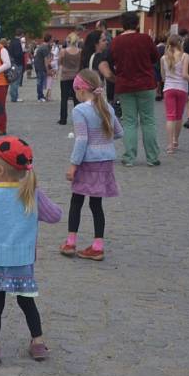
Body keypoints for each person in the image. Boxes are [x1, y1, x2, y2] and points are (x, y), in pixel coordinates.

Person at [0, 136, 62, 366]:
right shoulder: (30, 193)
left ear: (0, 169)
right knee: (27, 301)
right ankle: (38, 341)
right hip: (21, 260)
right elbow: (55, 216)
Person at [59, 69, 122, 262]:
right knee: (96, 204)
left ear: (80, 89)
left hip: (87, 161)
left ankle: (70, 242)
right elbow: (119, 132)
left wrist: (73, 165)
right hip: (105, 162)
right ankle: (98, 246)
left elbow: (81, 140)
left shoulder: (79, 110)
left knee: (76, 201)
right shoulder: (107, 107)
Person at [99, 11, 161, 167]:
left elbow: (108, 60)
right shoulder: (145, 39)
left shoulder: (116, 42)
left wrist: (112, 75)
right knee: (148, 121)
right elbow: (155, 58)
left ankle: (129, 157)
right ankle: (152, 157)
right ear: (137, 24)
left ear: (122, 25)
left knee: (129, 122)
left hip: (124, 85)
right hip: (146, 84)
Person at [161, 34, 189, 153]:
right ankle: (175, 140)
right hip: (182, 89)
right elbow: (184, 75)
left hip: (168, 88)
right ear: (180, 43)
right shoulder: (185, 56)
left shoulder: (163, 58)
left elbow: (163, 77)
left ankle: (169, 146)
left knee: (170, 117)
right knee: (178, 116)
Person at [57, 34, 82, 124]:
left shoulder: (63, 51)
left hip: (65, 76)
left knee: (64, 98)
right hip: (76, 76)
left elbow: (59, 62)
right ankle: (78, 119)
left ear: (68, 40)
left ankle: (63, 119)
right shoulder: (80, 51)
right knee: (77, 98)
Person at [33, 34, 53, 101]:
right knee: (40, 82)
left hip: (37, 66)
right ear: (50, 40)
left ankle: (40, 95)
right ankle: (40, 96)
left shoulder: (42, 46)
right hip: (41, 67)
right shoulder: (45, 48)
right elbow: (46, 60)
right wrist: (48, 70)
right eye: (52, 39)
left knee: (40, 81)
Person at [7, 30, 24, 102]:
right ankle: (14, 97)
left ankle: (14, 96)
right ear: (21, 34)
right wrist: (22, 53)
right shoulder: (17, 43)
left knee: (13, 80)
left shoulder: (12, 41)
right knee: (16, 81)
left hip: (12, 63)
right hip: (17, 63)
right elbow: (18, 54)